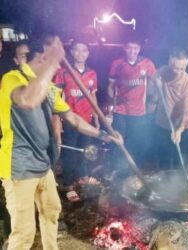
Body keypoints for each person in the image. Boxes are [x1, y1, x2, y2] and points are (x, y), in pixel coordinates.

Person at [0, 35, 123, 250]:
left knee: (51, 213)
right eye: (49, 61)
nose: (54, 68)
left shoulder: (47, 88)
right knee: (24, 231)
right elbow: (28, 100)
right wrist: (53, 61)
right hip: (19, 167)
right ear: (40, 59)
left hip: (43, 165)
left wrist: (104, 135)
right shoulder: (12, 79)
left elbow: (74, 118)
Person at [53, 39, 100, 201]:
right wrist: (58, 121)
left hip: (86, 120)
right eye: (77, 50)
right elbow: (57, 97)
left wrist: (97, 117)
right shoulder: (63, 72)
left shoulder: (92, 73)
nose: (81, 54)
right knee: (70, 153)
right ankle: (67, 184)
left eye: (84, 50)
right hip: (71, 120)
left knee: (85, 150)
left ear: (88, 53)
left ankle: (83, 176)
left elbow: (92, 95)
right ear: (71, 52)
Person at [107, 38, 157, 173]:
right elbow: (111, 86)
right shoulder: (117, 63)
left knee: (137, 140)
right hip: (120, 110)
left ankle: (134, 169)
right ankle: (116, 169)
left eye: (135, 48)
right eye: (129, 48)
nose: (132, 51)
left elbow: (155, 83)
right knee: (119, 140)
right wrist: (111, 107)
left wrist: (153, 101)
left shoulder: (147, 64)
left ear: (139, 49)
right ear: (125, 48)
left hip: (139, 110)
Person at [152, 49, 188, 170]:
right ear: (169, 63)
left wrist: (179, 130)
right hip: (162, 123)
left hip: (181, 125)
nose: (179, 72)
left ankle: (179, 185)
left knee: (178, 160)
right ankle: (163, 184)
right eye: (176, 68)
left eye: (182, 69)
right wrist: (156, 84)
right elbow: (152, 93)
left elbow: (187, 111)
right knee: (163, 158)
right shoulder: (162, 72)